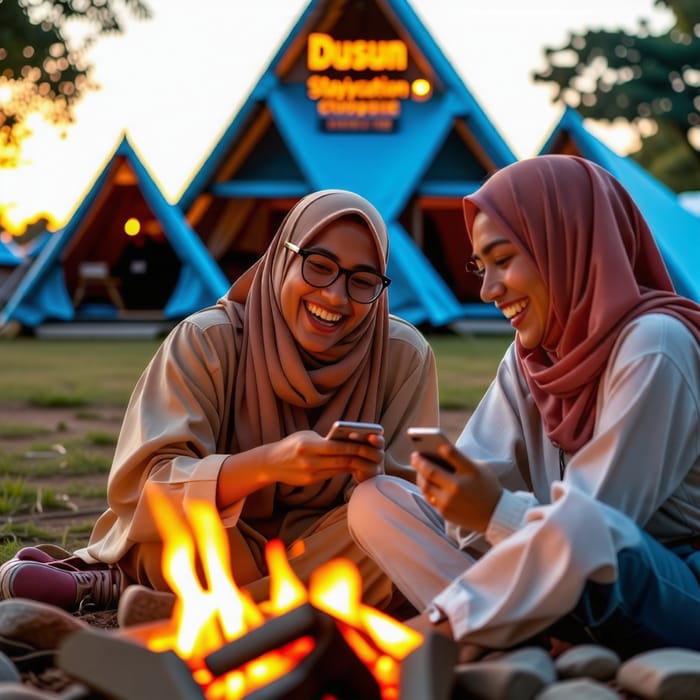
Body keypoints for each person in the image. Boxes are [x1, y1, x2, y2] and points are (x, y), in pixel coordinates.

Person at [0, 189, 439, 615]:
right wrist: (268, 464)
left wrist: (370, 479)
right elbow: (146, 487)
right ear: (282, 257)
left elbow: (413, 506)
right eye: (318, 266)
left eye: (362, 281)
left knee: (395, 531)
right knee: (171, 530)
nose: (335, 297)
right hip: (223, 543)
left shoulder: (402, 356)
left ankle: (161, 599)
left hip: (328, 546)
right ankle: (267, 610)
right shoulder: (208, 340)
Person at [348, 155, 700, 659]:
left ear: (567, 245)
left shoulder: (656, 345)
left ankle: (454, 634)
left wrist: (494, 511)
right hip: (560, 568)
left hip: (665, 585)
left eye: (503, 259)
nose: (488, 291)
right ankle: (517, 636)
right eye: (480, 267)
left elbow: (596, 527)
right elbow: (479, 489)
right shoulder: (532, 356)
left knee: (584, 531)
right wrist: (453, 492)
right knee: (377, 501)